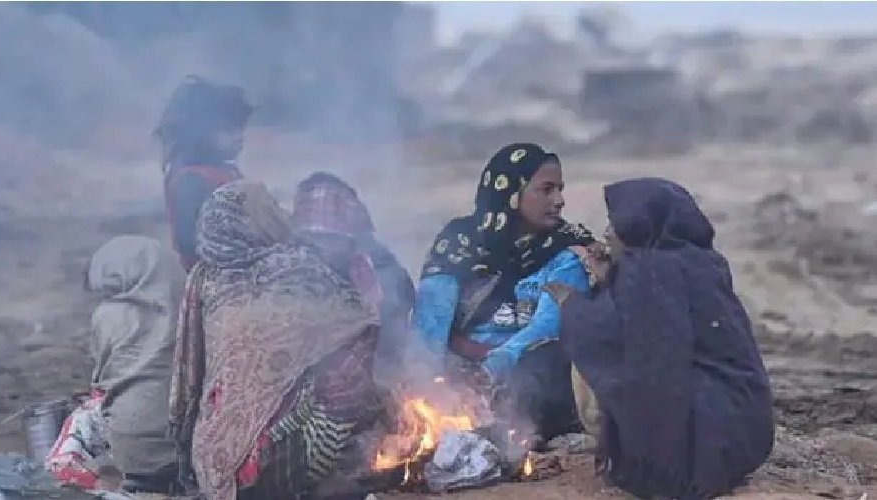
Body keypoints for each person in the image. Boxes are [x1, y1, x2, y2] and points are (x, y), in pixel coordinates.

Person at [559, 178, 774, 499]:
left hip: (702, 447)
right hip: (745, 431)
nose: (606, 233)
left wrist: (571, 304)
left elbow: (637, 351)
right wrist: (611, 279)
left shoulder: (650, 270)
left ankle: (651, 462)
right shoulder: (703, 261)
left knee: (585, 334)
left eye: (615, 223)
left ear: (640, 225)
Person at [168, 180, 382, 500]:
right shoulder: (294, 267)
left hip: (213, 461)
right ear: (261, 218)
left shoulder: (204, 279)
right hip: (270, 464)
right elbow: (361, 321)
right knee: (352, 362)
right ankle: (316, 474)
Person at [412, 142, 597, 440]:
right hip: (459, 373)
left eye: (560, 189)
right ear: (511, 193)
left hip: (526, 378)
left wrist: (490, 370)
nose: (560, 200)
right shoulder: (459, 244)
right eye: (546, 190)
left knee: (544, 367)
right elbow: (431, 320)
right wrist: (426, 382)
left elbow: (547, 328)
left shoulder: (565, 252)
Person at [46, 235, 185, 494]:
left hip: (131, 453)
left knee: (86, 416)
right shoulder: (189, 310)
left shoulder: (107, 315)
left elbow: (102, 382)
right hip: (185, 451)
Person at [291, 171, 415, 371]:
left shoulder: (372, 264)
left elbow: (400, 300)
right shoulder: (287, 267)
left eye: (331, 239)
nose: (325, 246)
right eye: (317, 239)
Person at [156, 76, 253, 270]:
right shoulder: (191, 180)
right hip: (212, 275)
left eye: (240, 129)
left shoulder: (224, 170)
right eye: (228, 130)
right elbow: (188, 242)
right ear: (200, 133)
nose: (240, 137)